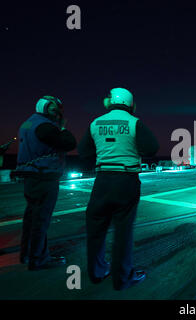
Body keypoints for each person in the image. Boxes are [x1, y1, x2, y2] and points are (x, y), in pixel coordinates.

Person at [78, 88, 159, 290]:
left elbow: (83, 152)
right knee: (123, 231)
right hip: (126, 180)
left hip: (102, 180)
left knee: (96, 229)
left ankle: (97, 273)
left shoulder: (95, 123)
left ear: (110, 103)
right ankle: (122, 278)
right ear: (130, 104)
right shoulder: (134, 122)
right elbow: (152, 148)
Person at [15, 95, 77, 270]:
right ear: (46, 108)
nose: (56, 113)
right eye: (54, 109)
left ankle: (26, 254)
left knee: (31, 218)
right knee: (41, 220)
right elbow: (69, 143)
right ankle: (39, 259)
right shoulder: (45, 127)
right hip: (44, 177)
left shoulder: (27, 123)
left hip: (30, 176)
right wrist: (63, 127)